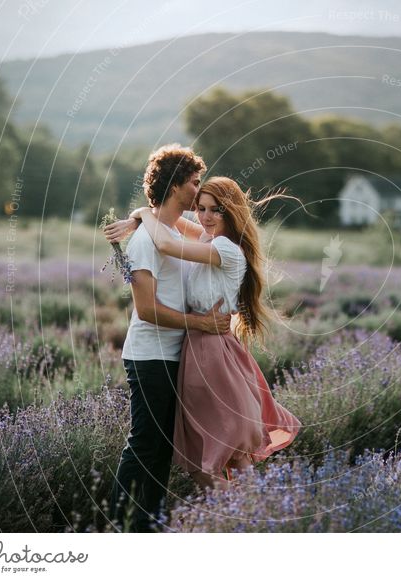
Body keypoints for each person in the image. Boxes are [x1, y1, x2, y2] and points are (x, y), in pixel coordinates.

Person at [109, 176, 301, 492]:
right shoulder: (212, 239)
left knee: (221, 449)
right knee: (214, 452)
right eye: (201, 208)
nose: (206, 216)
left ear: (231, 213)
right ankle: (245, 513)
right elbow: (179, 226)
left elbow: (168, 243)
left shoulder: (225, 248)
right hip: (200, 348)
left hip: (210, 351)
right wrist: (141, 217)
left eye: (216, 210)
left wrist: (142, 214)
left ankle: (246, 515)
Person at [105, 144, 231, 532]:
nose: (200, 190)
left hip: (174, 355)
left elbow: (203, 234)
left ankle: (149, 526)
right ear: (177, 185)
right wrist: (201, 323)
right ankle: (116, 526)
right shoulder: (145, 242)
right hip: (150, 356)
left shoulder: (167, 231)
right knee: (145, 443)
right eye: (194, 183)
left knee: (162, 449)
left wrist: (141, 215)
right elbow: (146, 310)